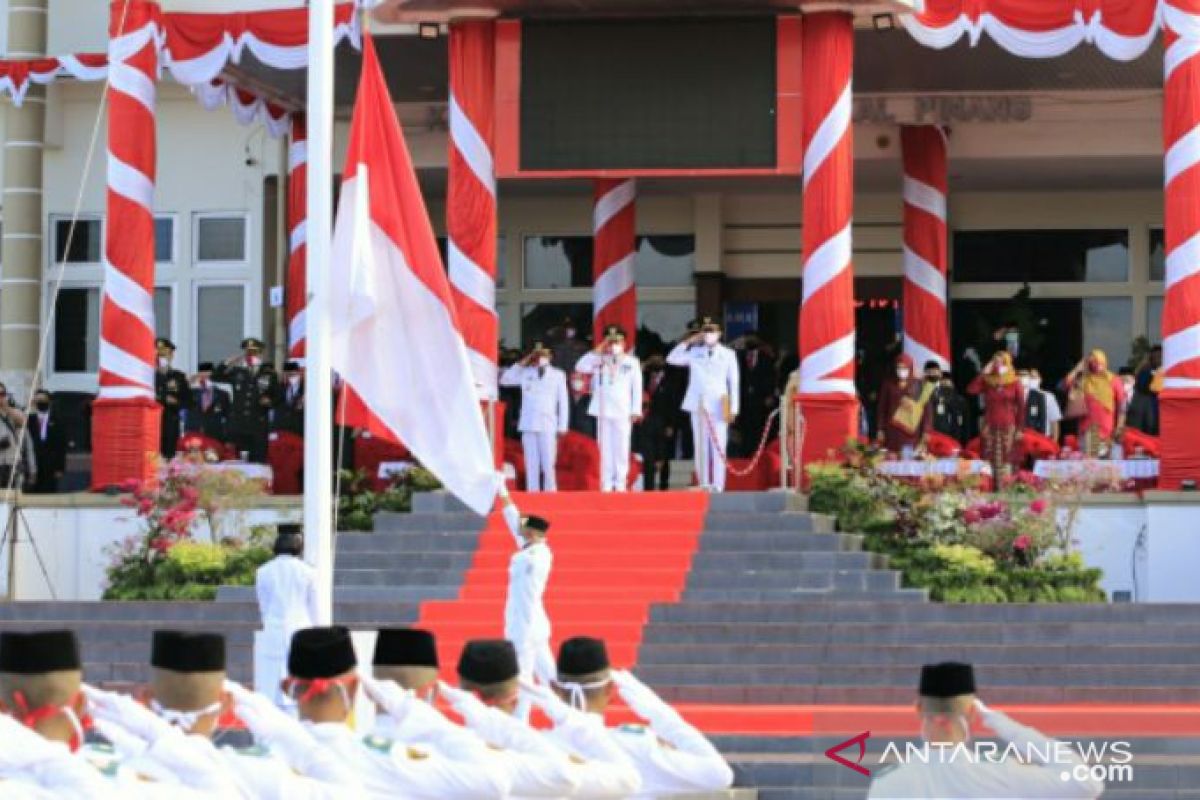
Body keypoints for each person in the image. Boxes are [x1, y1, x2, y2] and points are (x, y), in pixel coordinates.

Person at [100, 629, 364, 798]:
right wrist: (288, 735)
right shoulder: (251, 772)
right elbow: (348, 793)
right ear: (225, 701)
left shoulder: (112, 777)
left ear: (145, 699)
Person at [287, 626, 509, 799]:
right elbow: (494, 783)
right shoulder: (392, 758)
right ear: (359, 688)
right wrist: (417, 713)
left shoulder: (272, 754)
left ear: (288, 687)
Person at [867, 662, 1103, 799]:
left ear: (919, 709)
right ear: (971, 713)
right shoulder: (1003, 773)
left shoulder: (888, 784)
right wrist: (1007, 726)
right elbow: (1086, 783)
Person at [443, 639, 639, 797]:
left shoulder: (441, 754)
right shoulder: (548, 755)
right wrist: (565, 716)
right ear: (516, 697)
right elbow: (628, 779)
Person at [551, 636, 734, 798]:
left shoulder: (539, 746)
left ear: (555, 690)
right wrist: (656, 710)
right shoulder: (638, 744)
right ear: (610, 689)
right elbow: (719, 775)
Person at [667, 317, 740, 492]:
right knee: (700, 445)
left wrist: (734, 408)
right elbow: (671, 359)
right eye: (706, 331)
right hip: (697, 403)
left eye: (712, 331)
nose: (709, 335)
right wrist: (689, 341)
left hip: (719, 404)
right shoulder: (694, 352)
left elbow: (734, 383)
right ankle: (703, 482)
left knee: (719, 445)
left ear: (720, 333)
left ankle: (718, 484)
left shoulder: (728, 354)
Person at [255, 526, 319, 705]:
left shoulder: (263, 571)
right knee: (300, 676)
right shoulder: (308, 572)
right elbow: (315, 607)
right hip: (301, 628)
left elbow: (264, 605)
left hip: (273, 628)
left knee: (271, 678)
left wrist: (269, 623)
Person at [575, 325, 643, 492]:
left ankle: (620, 483)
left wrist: (636, 410)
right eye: (610, 341)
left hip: (623, 410)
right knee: (605, 448)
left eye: (617, 341)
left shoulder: (631, 362)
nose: (614, 344)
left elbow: (637, 387)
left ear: (624, 342)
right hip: (603, 409)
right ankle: (605, 483)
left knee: (621, 447)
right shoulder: (598, 359)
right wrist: (601, 347)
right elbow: (580, 366)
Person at [504, 513, 555, 719]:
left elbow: (525, 599)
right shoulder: (536, 549)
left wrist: (521, 635)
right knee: (551, 677)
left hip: (525, 626)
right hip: (536, 625)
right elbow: (516, 525)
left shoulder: (530, 560)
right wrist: (504, 496)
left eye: (524, 529)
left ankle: (520, 724)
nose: (519, 531)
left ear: (532, 534)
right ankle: (573, 712)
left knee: (523, 679)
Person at [499, 342, 569, 492]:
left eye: (544, 354)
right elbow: (505, 379)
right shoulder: (525, 373)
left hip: (548, 422)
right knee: (531, 463)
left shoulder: (558, 374)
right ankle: (533, 493)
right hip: (529, 423)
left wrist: (562, 425)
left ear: (550, 356)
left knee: (548, 462)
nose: (541, 357)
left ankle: (550, 492)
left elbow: (563, 401)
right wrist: (524, 361)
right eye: (538, 354)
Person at [212, 338, 279, 463]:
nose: (251, 356)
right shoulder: (238, 371)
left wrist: (269, 401)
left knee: (257, 461)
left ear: (260, 353)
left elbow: (278, 397)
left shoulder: (269, 373)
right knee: (235, 462)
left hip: (257, 425)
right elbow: (215, 376)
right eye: (248, 353)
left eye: (254, 352)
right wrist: (226, 363)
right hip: (238, 425)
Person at [967, 352, 1025, 480]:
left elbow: (1021, 406)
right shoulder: (988, 381)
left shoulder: (1014, 382)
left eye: (1001, 362)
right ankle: (990, 486)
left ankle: (1006, 486)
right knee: (989, 455)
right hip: (989, 425)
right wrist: (984, 372)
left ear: (1007, 364)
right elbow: (971, 390)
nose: (998, 365)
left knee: (1007, 456)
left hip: (1009, 425)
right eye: (995, 362)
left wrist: (1020, 429)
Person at [1062, 349, 1126, 457]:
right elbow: (1066, 383)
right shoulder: (1083, 379)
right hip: (1088, 430)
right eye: (1092, 362)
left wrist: (1119, 426)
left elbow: (1122, 405)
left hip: (1108, 430)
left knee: (1110, 468)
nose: (1095, 365)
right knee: (1092, 467)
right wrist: (1078, 367)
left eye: (1098, 362)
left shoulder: (1114, 380)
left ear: (1104, 362)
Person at [875, 354, 932, 455]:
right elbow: (882, 409)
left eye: (904, 368)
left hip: (912, 434)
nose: (901, 371)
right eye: (899, 367)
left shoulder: (918, 385)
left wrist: (926, 431)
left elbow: (927, 411)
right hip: (892, 433)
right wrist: (880, 429)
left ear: (910, 368)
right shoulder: (888, 384)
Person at [639, 353, 680, 491]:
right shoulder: (644, 378)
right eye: (653, 360)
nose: (656, 363)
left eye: (659, 360)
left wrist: (671, 425)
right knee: (648, 455)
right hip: (646, 422)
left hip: (663, 422)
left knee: (664, 455)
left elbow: (674, 405)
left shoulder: (670, 380)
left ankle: (664, 485)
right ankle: (648, 486)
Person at [736, 331, 777, 457]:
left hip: (760, 399)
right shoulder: (738, 357)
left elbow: (771, 377)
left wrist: (769, 394)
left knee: (759, 427)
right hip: (744, 400)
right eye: (747, 338)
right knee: (744, 428)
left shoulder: (765, 358)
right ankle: (745, 454)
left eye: (752, 338)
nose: (749, 340)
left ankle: (758, 454)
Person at [154, 338, 192, 459]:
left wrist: (176, 402)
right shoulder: (147, 375)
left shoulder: (178, 377)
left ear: (171, 356)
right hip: (151, 422)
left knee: (169, 457)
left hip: (170, 422)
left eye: (165, 355)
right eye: (159, 355)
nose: (162, 358)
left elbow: (189, 402)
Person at [26, 389, 66, 494]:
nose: (40, 402)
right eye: (38, 400)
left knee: (49, 493)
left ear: (49, 401)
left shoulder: (57, 420)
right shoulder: (28, 420)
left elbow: (61, 446)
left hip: (51, 466)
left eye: (43, 400)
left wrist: (60, 468)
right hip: (33, 464)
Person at [0, 383, 35, 490]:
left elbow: (23, 422)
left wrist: (6, 408)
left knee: (15, 500)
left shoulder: (13, 412)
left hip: (14, 464)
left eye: (2, 394)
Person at [923, 364, 967, 443]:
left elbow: (955, 416)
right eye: (929, 372)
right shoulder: (919, 389)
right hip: (925, 433)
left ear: (940, 373)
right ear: (925, 374)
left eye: (935, 372)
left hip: (944, 434)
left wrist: (955, 438)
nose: (932, 374)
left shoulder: (948, 391)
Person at [1019, 366, 1062, 441]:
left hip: (1043, 438)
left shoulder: (1048, 396)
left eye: (1034, 377)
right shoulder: (1017, 396)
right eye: (1030, 377)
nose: (1032, 380)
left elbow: (1054, 422)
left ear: (1040, 379)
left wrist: (1054, 442)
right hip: (1023, 439)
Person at [1128, 346, 1162, 435]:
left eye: (1159, 357)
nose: (1157, 360)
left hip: (1164, 414)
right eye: (1155, 357)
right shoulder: (1146, 372)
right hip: (1148, 412)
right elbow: (1140, 385)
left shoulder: (1170, 372)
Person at [274, 361, 306, 436]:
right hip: (281, 431)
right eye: (287, 374)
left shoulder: (306, 389)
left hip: (299, 432)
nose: (289, 377)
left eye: (292, 375)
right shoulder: (279, 388)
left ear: (299, 374)